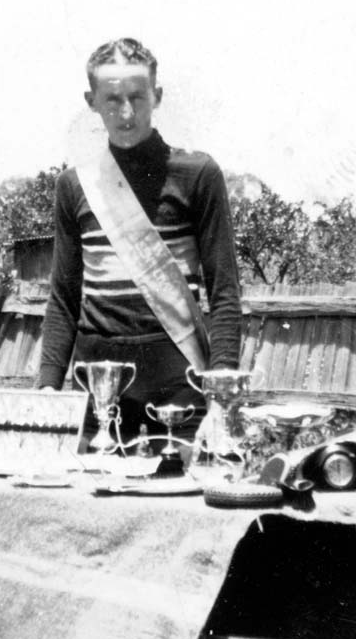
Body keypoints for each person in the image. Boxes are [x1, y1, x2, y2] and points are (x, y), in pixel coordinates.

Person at [36, 37, 242, 453]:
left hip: (178, 384)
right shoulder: (75, 185)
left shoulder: (197, 174)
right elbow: (63, 298)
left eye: (137, 97)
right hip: (94, 384)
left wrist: (220, 398)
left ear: (157, 96)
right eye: (112, 99)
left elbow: (224, 295)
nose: (126, 113)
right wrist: (47, 387)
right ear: (91, 100)